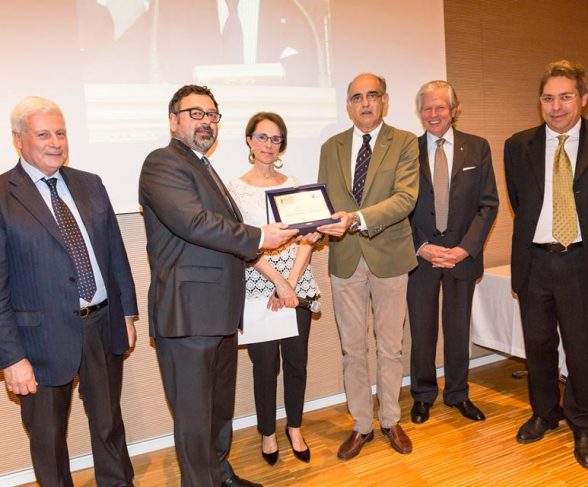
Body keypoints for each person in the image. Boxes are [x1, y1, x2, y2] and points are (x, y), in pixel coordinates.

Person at [138, 85, 298, 487]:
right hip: (189, 314)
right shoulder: (162, 162)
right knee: (194, 418)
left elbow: (222, 232)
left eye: (212, 115)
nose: (206, 121)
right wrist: (260, 236)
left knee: (218, 410)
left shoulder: (204, 166)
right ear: (173, 120)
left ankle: (221, 475)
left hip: (220, 313)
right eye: (196, 113)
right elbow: (194, 223)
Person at [0, 96, 138, 486]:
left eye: (60, 133)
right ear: (19, 139)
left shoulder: (90, 183)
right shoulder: (2, 195)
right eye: (44, 134)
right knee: (48, 438)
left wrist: (126, 313)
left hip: (101, 324)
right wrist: (11, 357)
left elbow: (115, 254)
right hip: (37, 340)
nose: (56, 143)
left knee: (109, 421)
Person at [317, 73, 419, 459]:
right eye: (357, 97)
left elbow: (405, 198)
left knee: (390, 346)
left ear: (385, 100)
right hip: (345, 258)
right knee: (352, 348)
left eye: (372, 95)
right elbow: (323, 202)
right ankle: (362, 425)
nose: (365, 103)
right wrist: (316, 225)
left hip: (390, 256)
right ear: (348, 105)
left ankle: (390, 419)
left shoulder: (405, 142)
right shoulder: (331, 147)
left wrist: (357, 219)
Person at [504, 60, 588, 469]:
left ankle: (586, 424)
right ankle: (545, 413)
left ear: (583, 98)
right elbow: (520, 202)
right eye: (548, 98)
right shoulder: (517, 145)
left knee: (584, 349)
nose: (556, 106)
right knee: (538, 346)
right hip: (535, 261)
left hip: (583, 262)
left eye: (565, 97)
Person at [228, 112, 319, 466]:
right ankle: (267, 432)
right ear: (249, 140)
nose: (269, 144)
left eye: (276, 138)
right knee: (265, 367)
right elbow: (241, 242)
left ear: (283, 144)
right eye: (262, 137)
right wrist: (278, 283)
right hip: (258, 286)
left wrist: (291, 284)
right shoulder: (234, 190)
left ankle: (295, 427)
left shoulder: (295, 185)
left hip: (297, 285)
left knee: (297, 363)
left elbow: (307, 239)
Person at [407, 80, 498, 424]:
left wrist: (464, 249)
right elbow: (401, 206)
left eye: (440, 107)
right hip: (422, 257)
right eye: (427, 108)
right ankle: (423, 395)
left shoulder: (477, 147)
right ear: (419, 113)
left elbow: (488, 205)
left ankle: (458, 393)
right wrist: (422, 246)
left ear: (454, 110)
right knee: (422, 330)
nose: (433, 114)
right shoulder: (407, 150)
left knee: (458, 328)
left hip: (462, 256)